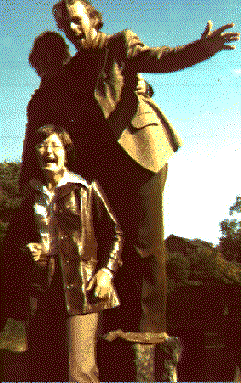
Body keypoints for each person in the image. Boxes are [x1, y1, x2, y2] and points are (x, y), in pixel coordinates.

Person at [18, 2, 239, 380]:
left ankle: (148, 331)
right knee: (111, 243)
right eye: (63, 23)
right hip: (105, 168)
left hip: (141, 152)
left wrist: (203, 48)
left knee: (145, 242)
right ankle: (114, 324)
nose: (71, 27)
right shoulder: (72, 70)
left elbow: (160, 59)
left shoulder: (118, 44)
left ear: (93, 19)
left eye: (76, 19)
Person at [1, 124, 123, 382]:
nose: (48, 151)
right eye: (43, 146)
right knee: (43, 364)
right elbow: (15, 242)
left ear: (66, 153)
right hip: (41, 284)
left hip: (82, 285)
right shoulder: (31, 196)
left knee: (79, 369)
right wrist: (29, 248)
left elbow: (115, 234)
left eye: (55, 146)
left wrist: (106, 272)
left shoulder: (86, 189)